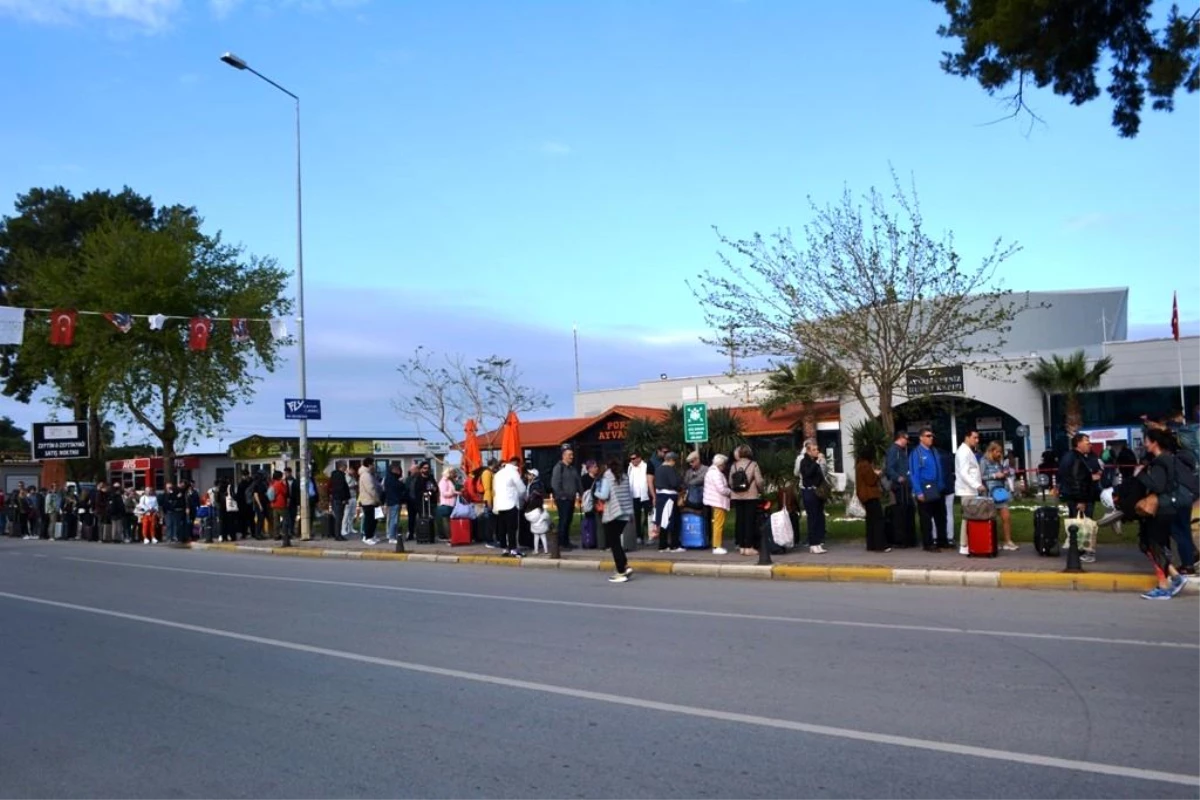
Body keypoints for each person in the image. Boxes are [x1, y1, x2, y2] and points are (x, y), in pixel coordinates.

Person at [1135, 428, 1192, 599]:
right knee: (1151, 544)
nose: (1144, 444)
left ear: (1154, 443)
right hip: (1168, 508)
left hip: (1162, 508)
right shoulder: (1167, 460)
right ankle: (1175, 577)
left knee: (1154, 545)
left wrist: (1141, 474)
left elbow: (1158, 487)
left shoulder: (1161, 462)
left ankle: (1164, 587)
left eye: (1146, 441)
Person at [1058, 433, 1099, 562]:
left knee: (1079, 524)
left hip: (1078, 496)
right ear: (1078, 443)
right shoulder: (1076, 458)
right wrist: (1081, 499)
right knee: (1084, 524)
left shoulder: (1075, 457)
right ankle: (1085, 551)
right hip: (1080, 498)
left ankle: (1079, 550)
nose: (1089, 443)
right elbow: (1076, 480)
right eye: (1086, 441)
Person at [909, 427, 948, 552]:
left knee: (941, 516)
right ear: (921, 438)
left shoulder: (933, 451)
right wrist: (918, 491)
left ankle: (942, 541)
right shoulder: (917, 453)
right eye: (928, 436)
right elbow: (914, 474)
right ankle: (928, 543)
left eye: (931, 436)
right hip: (926, 489)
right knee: (926, 518)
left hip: (938, 488)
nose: (931, 438)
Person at [595, 458, 634, 583]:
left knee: (614, 543)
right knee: (616, 541)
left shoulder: (607, 476)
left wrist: (596, 492)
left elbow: (604, 495)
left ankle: (621, 571)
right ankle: (625, 566)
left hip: (613, 513)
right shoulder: (624, 476)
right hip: (625, 513)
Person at [981, 440, 1019, 550]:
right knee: (991, 519)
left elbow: (1005, 473)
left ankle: (1008, 541)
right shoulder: (984, 461)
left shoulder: (999, 462)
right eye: (997, 452)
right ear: (991, 451)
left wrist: (1005, 474)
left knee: (1006, 517)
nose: (999, 454)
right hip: (989, 493)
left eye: (1000, 452)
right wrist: (994, 475)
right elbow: (981, 476)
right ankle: (992, 541)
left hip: (1001, 492)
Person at [954, 430, 985, 555]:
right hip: (967, 490)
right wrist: (977, 485)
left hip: (970, 489)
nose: (977, 440)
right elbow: (963, 473)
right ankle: (964, 544)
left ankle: (968, 543)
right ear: (967, 437)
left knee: (969, 517)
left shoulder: (967, 451)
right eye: (974, 437)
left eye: (977, 438)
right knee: (967, 517)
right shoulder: (963, 452)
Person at [730, 445, 764, 556]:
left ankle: (741, 546)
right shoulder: (753, 465)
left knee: (740, 520)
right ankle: (749, 546)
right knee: (749, 520)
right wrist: (760, 490)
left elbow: (730, 482)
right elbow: (759, 481)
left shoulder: (734, 466)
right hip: (750, 496)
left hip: (737, 496)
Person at [884, 430, 915, 548]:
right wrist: (898, 478)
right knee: (901, 511)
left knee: (907, 510)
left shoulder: (901, 451)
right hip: (900, 486)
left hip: (905, 485)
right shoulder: (894, 450)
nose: (907, 442)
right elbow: (889, 468)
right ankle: (901, 538)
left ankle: (907, 537)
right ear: (901, 438)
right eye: (906, 439)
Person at [798, 439, 829, 554]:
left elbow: (821, 476)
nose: (817, 452)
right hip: (809, 492)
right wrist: (816, 464)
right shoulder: (804, 462)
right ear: (808, 451)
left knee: (818, 518)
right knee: (812, 518)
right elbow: (807, 474)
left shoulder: (816, 461)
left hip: (818, 492)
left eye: (817, 449)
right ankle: (812, 543)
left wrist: (821, 463)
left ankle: (818, 542)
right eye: (814, 450)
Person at [492, 456, 526, 557]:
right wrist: (519, 496)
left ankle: (504, 549)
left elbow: (495, 490)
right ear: (516, 464)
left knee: (502, 528)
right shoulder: (513, 472)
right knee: (512, 528)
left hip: (499, 505)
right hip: (511, 504)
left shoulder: (497, 474)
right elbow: (522, 489)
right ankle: (513, 549)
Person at [856, 450, 888, 553]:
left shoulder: (860, 464)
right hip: (871, 495)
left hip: (865, 496)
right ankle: (880, 545)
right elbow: (870, 480)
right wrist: (877, 474)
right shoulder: (865, 465)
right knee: (878, 520)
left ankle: (871, 544)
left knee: (870, 521)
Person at [551, 448, 582, 551]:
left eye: (572, 454)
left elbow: (578, 481)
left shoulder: (572, 468)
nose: (572, 457)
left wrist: (581, 494)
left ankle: (566, 542)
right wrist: (562, 495)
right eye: (570, 455)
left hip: (571, 498)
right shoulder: (558, 467)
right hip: (563, 499)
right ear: (564, 456)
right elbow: (555, 483)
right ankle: (561, 543)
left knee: (568, 520)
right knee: (563, 520)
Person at [653, 451, 683, 552]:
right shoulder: (669, 469)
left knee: (663, 521)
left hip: (660, 497)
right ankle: (674, 545)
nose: (674, 463)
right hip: (670, 497)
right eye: (674, 461)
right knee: (673, 521)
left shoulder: (658, 469)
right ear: (671, 460)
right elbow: (674, 483)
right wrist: (680, 488)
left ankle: (663, 545)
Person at [703, 453, 732, 555]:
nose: (724, 466)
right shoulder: (716, 474)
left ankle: (716, 545)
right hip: (718, 501)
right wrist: (730, 492)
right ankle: (717, 546)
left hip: (714, 501)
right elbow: (721, 489)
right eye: (724, 464)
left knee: (716, 523)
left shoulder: (711, 472)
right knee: (718, 524)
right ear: (720, 464)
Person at [627, 452, 651, 545]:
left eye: (634, 458)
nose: (632, 461)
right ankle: (639, 536)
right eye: (631, 459)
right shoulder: (630, 467)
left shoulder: (646, 466)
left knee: (647, 516)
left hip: (644, 495)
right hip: (634, 496)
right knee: (636, 516)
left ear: (639, 458)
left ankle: (649, 535)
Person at [358, 457, 383, 545]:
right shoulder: (365, 475)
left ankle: (371, 535)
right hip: (368, 501)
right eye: (373, 464)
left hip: (372, 501)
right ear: (369, 464)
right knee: (369, 520)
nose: (374, 466)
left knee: (374, 519)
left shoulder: (370, 474)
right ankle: (367, 536)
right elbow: (371, 489)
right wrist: (377, 499)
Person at [384, 462, 409, 544]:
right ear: (394, 470)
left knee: (393, 520)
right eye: (398, 470)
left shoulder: (389, 478)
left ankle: (392, 535)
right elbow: (399, 487)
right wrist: (402, 483)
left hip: (393, 501)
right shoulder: (392, 479)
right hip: (394, 501)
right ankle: (392, 536)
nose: (399, 471)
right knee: (394, 520)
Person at [328, 461, 350, 541]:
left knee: (338, 517)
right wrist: (344, 498)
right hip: (339, 499)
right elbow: (340, 488)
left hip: (336, 498)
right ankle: (338, 535)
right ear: (341, 466)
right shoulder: (339, 476)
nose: (346, 468)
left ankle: (336, 533)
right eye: (345, 466)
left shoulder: (335, 475)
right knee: (339, 517)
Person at [436, 467, 459, 541]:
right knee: (446, 521)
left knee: (450, 521)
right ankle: (449, 537)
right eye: (453, 472)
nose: (454, 474)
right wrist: (454, 493)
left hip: (452, 504)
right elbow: (444, 493)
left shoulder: (450, 481)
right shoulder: (443, 481)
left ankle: (451, 536)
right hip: (446, 504)